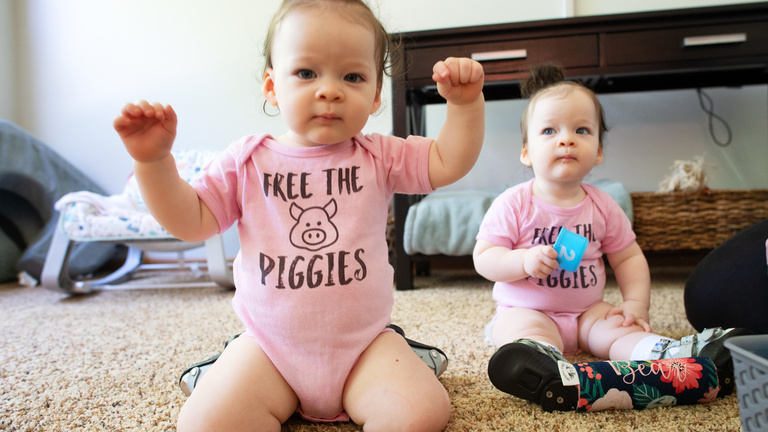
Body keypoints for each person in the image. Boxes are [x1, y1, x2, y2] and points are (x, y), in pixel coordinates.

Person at [113, 0, 484, 430]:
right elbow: (191, 220)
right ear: (273, 87)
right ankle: (228, 365)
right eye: (307, 73)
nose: (330, 90)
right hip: (269, 350)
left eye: (352, 76)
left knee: (422, 411)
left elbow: (446, 160)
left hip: (364, 348)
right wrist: (153, 162)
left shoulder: (378, 156)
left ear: (375, 95)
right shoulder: (247, 161)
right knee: (204, 423)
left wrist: (465, 107)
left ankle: (403, 358)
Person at [472, 64, 744, 411]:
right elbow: (485, 257)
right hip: (527, 308)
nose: (566, 139)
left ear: (598, 151)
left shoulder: (603, 206)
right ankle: (542, 364)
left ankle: (667, 354)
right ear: (526, 151)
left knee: (618, 328)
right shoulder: (514, 203)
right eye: (549, 130)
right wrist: (522, 260)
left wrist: (635, 305)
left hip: (588, 312)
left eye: (581, 130)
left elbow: (628, 257)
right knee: (519, 330)